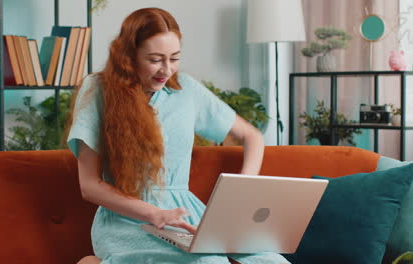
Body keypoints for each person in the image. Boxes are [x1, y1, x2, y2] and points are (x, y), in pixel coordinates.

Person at [66, 7, 290, 264]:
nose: (167, 69)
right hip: (127, 219)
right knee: (208, 262)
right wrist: (153, 214)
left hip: (187, 216)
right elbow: (90, 186)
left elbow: (251, 136)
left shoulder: (186, 90)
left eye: (174, 58)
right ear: (128, 56)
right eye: (155, 59)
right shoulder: (98, 90)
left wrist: (241, 190)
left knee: (273, 261)